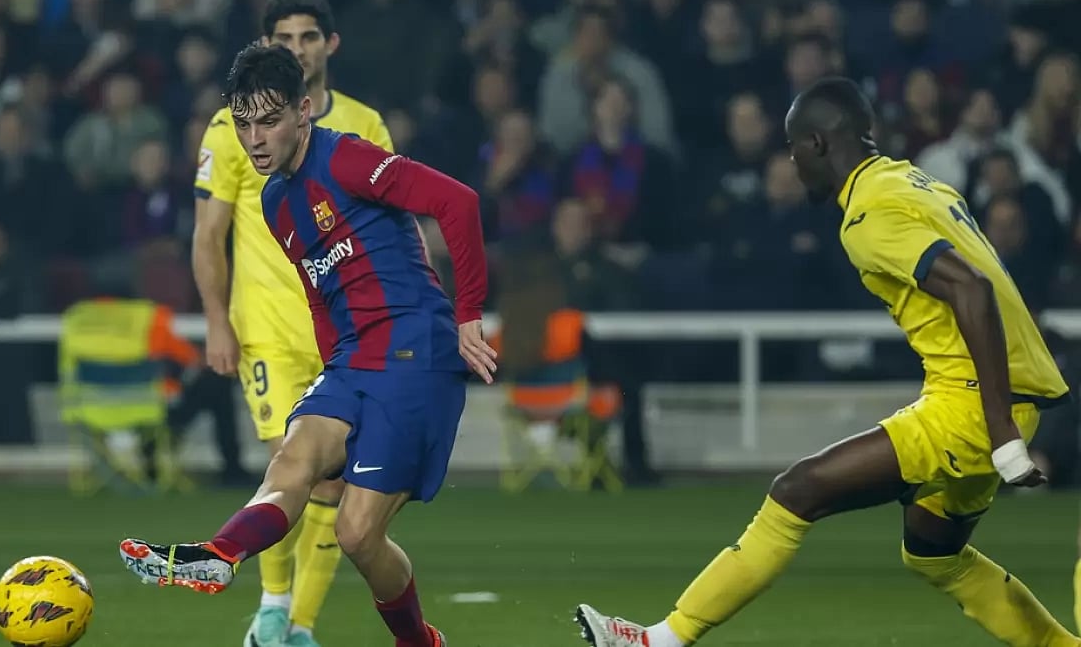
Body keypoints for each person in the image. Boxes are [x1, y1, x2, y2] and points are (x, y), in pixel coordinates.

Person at [575, 76, 1079, 647]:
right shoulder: (920, 182)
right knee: (934, 553)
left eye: (793, 150)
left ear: (816, 144)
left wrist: (1000, 432)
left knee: (797, 490)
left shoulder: (868, 216)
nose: (793, 165)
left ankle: (663, 640)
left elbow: (974, 292)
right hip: (1005, 392)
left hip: (974, 405)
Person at [119, 45, 495, 647]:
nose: (255, 139)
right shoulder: (274, 201)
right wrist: (333, 370)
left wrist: (469, 312)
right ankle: (218, 554)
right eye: (244, 124)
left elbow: (458, 202)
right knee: (292, 460)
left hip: (413, 351)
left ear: (303, 111)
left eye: (268, 121)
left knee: (356, 535)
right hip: (353, 360)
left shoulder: (345, 157)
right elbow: (320, 292)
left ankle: (419, 642)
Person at [190, 0, 393, 647]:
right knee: (288, 461)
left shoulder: (364, 123)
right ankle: (273, 604)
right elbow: (208, 232)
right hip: (269, 331)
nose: (297, 49)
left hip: (346, 335)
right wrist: (217, 319)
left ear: (330, 45)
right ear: (267, 46)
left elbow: (388, 225)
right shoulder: (232, 127)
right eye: (284, 39)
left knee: (332, 486)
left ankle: (298, 625)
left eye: (309, 37)